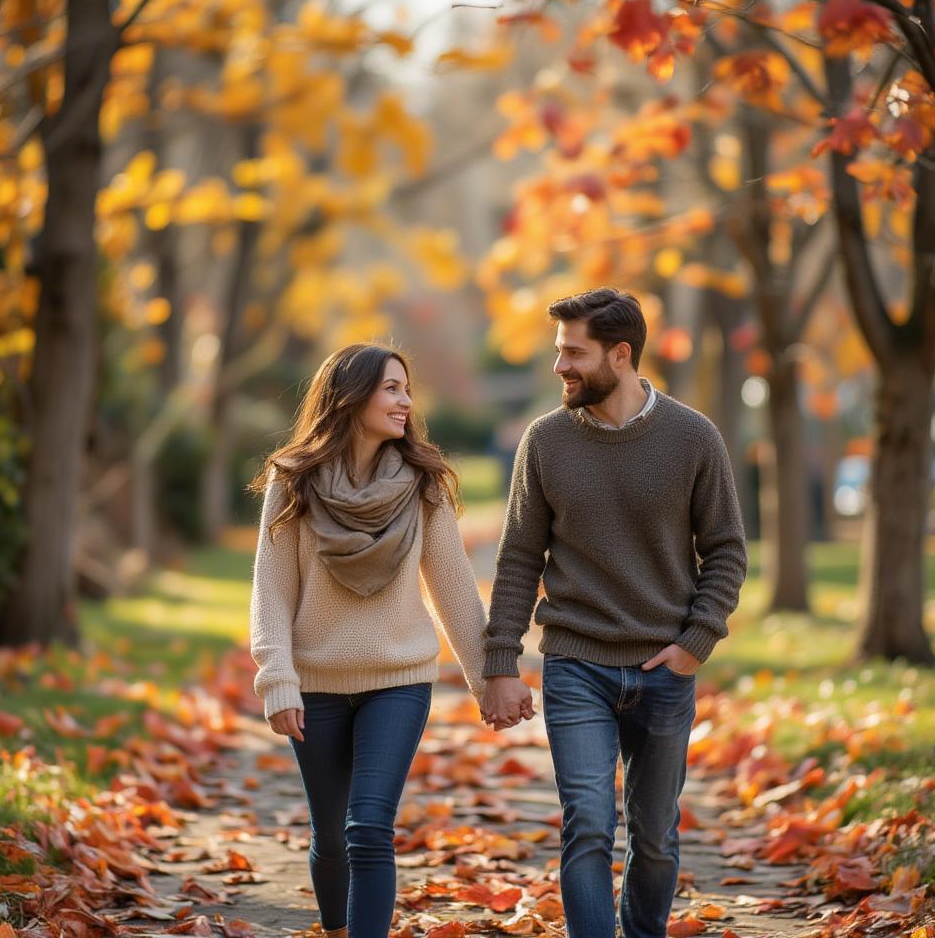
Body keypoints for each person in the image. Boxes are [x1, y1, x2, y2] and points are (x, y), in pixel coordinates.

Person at [479, 288, 748, 938]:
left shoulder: (692, 438)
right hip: (577, 664)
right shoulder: (544, 441)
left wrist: (694, 643)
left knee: (654, 836)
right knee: (590, 824)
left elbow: (726, 551)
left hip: (664, 669)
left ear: (620, 355)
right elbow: (519, 559)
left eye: (574, 352)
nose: (560, 366)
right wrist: (500, 664)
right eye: (558, 351)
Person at [248, 343, 486, 938]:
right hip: (316, 683)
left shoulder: (423, 484)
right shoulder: (293, 481)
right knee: (330, 836)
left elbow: (453, 589)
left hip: (399, 683)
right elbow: (271, 589)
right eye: (392, 389)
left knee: (369, 827)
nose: (407, 401)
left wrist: (490, 681)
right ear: (350, 397)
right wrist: (276, 679)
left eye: (408, 389)